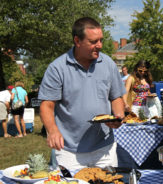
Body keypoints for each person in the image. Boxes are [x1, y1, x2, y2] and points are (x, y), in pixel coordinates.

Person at [38, 17, 125, 170]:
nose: (99, 45)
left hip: (104, 149)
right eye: (93, 42)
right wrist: (52, 130)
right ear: (77, 41)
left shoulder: (109, 64)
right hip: (68, 151)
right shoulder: (57, 68)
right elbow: (47, 105)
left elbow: (116, 97)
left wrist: (118, 116)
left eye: (101, 40)